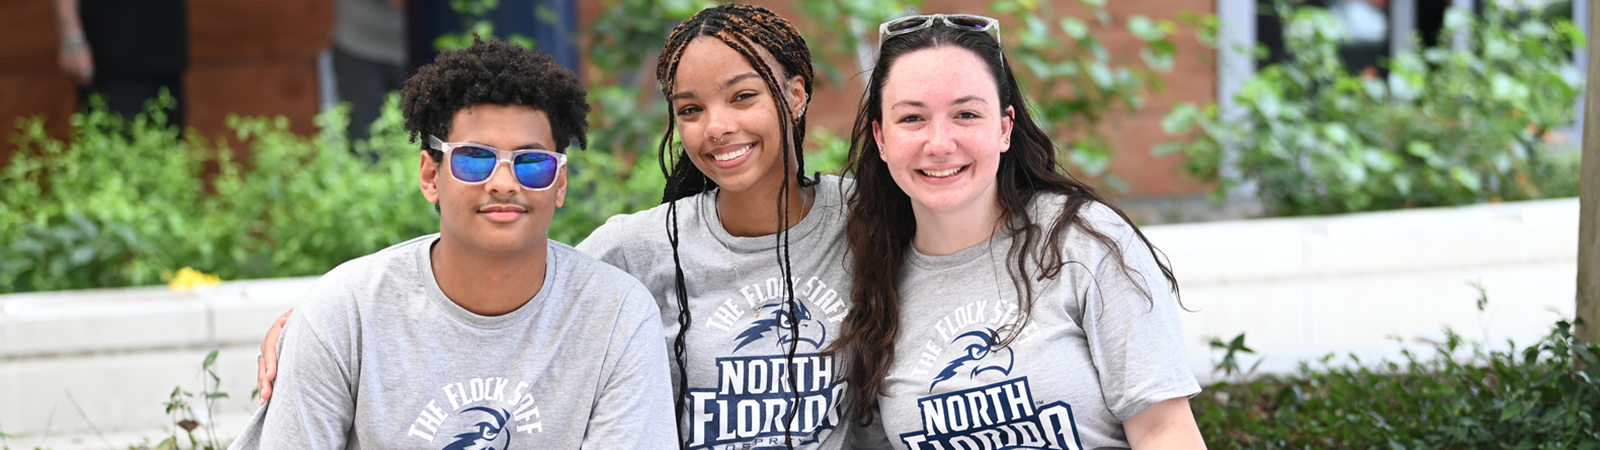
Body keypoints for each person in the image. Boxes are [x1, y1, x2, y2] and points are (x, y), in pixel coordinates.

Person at [257, 5, 862, 449]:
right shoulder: (634, 252)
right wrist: (314, 322)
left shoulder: (866, 220)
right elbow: (523, 276)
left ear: (796, 95)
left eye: (743, 97)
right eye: (690, 110)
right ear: (430, 173)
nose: (717, 126)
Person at [229, 38, 676, 449]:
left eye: (532, 163)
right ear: (430, 176)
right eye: (475, 158)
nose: (503, 183)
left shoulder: (617, 316)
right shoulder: (345, 312)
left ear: (559, 183)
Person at [832, 14, 1206, 449]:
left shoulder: (1083, 241)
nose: (939, 143)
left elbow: (1164, 432)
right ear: (881, 137)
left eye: (966, 114)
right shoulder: (872, 277)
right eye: (912, 119)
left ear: (1005, 128)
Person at [52, 0, 188, 126]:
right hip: (113, 60)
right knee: (115, 142)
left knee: (168, 142)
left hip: (167, 59)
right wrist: (71, 36)